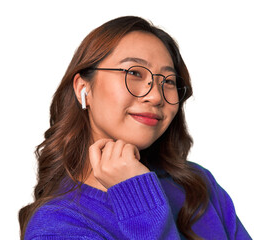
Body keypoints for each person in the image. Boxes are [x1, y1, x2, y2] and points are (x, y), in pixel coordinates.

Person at [19, 16, 251, 240]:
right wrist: (138, 199)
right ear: (84, 88)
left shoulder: (198, 185)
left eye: (168, 81)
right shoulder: (57, 226)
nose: (155, 96)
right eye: (134, 73)